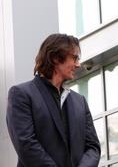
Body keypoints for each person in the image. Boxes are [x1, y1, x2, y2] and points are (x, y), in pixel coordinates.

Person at [6, 34, 101, 167]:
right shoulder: (21, 94)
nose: (78, 65)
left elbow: (93, 147)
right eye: (74, 58)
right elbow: (26, 144)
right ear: (55, 58)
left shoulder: (80, 101)